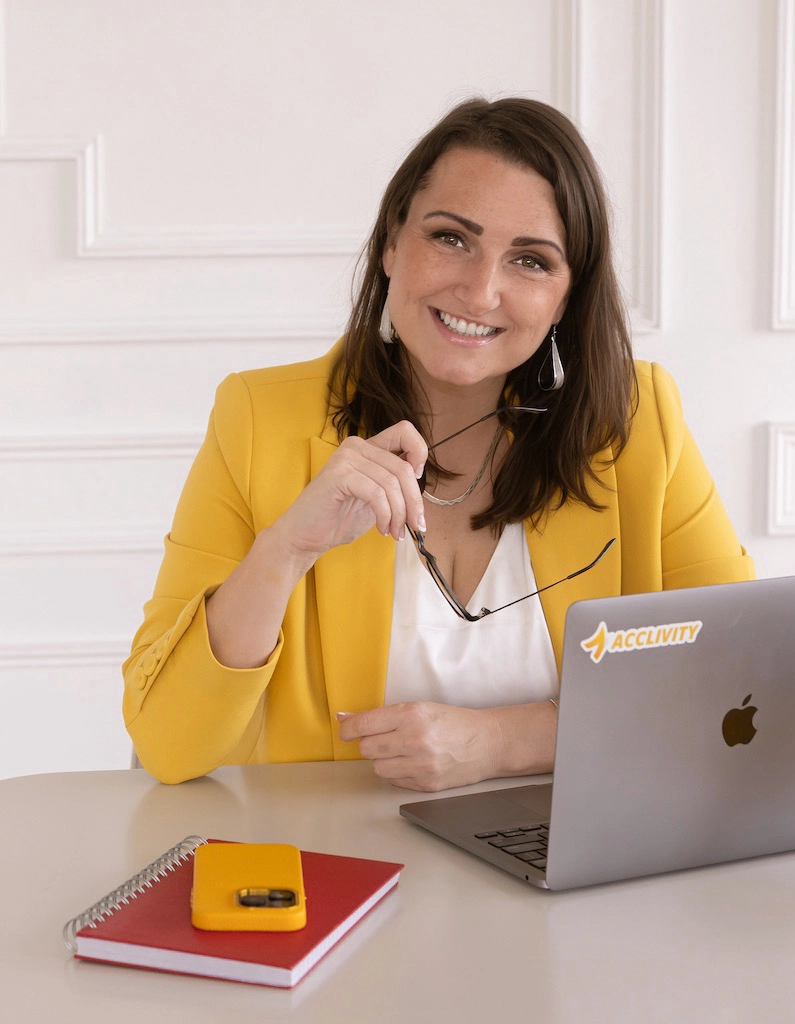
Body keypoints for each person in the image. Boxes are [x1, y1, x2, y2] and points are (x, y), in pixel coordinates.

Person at [123, 97, 754, 788]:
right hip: (337, 869)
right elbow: (167, 743)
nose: (480, 291)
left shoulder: (635, 422)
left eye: (530, 261)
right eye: (451, 238)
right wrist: (283, 553)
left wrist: (505, 740)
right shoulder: (259, 418)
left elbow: (738, 685)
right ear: (393, 241)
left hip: (575, 866)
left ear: (566, 297)